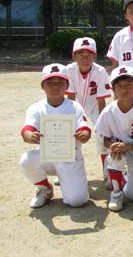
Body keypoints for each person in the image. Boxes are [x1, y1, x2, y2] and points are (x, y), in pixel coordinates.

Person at [19, 64, 90, 208]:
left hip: (70, 157)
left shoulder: (74, 106)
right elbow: (26, 130)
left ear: (67, 86)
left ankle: (67, 180)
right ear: (42, 86)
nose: (55, 86)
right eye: (50, 82)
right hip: (47, 155)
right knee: (26, 160)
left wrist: (84, 134)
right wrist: (30, 136)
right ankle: (45, 188)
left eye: (60, 82)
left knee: (77, 201)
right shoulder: (36, 107)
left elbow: (84, 128)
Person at [95, 66, 133, 211]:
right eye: (119, 86)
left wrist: (127, 146)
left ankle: (125, 178)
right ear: (113, 89)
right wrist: (112, 146)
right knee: (115, 157)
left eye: (128, 85)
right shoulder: (108, 111)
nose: (124, 89)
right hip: (118, 151)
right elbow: (105, 138)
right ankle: (116, 193)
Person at [65, 37, 112, 188]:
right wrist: (72, 119)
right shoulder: (69, 70)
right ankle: (65, 171)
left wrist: (102, 122)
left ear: (95, 56)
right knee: (70, 134)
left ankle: (108, 171)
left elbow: (101, 99)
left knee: (102, 134)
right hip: (75, 104)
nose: (85, 59)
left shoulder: (100, 71)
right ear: (73, 56)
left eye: (89, 55)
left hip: (94, 105)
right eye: (81, 54)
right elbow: (70, 97)